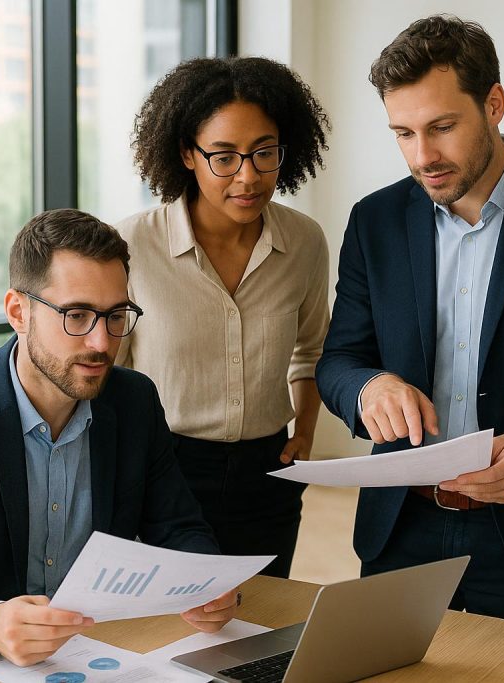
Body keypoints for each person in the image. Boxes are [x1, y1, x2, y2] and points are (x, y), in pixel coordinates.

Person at [315, 15, 504, 620]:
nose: (422, 156)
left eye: (442, 127)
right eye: (403, 133)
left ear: (495, 103)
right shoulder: (374, 222)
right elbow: (339, 361)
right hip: (399, 529)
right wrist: (368, 387)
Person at [0, 209, 238, 668]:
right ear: (19, 312)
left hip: (85, 659)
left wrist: (206, 580)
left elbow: (177, 527)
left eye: (116, 315)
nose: (101, 342)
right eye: (76, 315)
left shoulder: (134, 402)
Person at [115, 57, 331, 578]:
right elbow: (109, 374)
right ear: (188, 154)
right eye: (224, 157)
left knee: (263, 624)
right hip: (165, 469)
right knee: (171, 627)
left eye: (264, 153)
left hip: (270, 469)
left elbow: (313, 350)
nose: (249, 176)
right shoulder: (131, 245)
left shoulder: (303, 241)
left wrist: (303, 433)